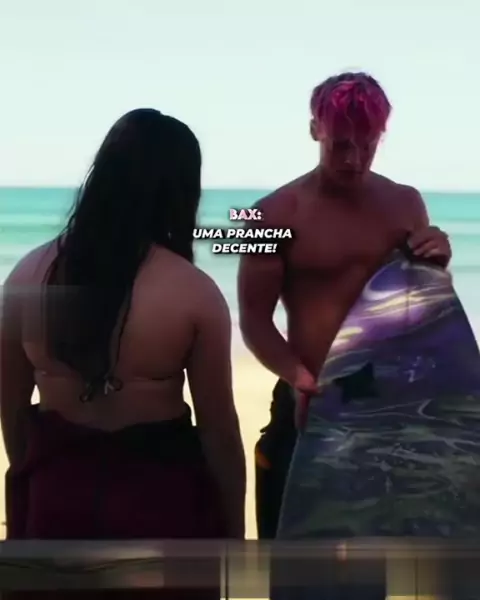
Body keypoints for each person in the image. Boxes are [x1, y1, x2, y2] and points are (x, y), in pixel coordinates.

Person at [0, 108, 246, 598]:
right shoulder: (192, 293)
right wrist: (234, 538)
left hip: (57, 496)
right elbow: (219, 432)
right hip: (159, 503)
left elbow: (11, 410)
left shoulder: (27, 276)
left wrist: (31, 484)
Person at [238, 72, 451, 540]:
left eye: (367, 145)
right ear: (314, 129)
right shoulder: (268, 214)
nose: (354, 160)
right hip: (304, 406)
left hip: (383, 410)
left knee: (371, 566)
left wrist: (439, 263)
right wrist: (298, 379)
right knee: (290, 562)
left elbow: (420, 310)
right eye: (340, 145)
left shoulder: (405, 204)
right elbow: (253, 320)